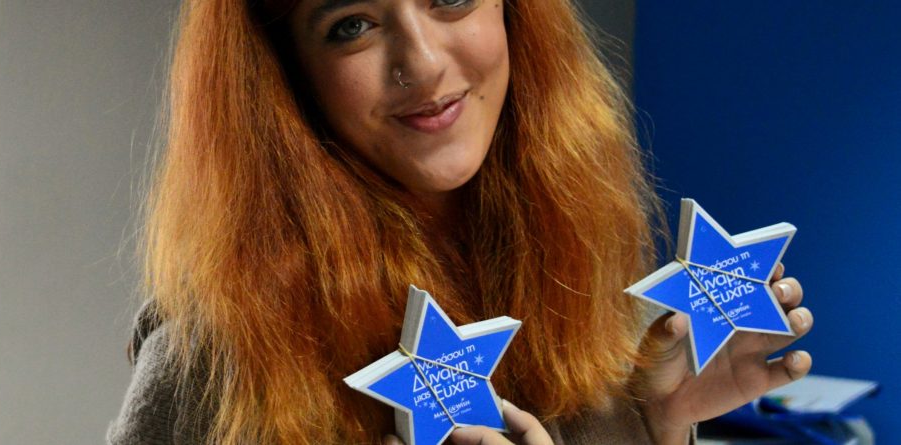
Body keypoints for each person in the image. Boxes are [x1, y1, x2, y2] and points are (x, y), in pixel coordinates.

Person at [107, 0, 813, 443]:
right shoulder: (214, 362)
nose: (421, 63)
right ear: (286, 72)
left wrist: (654, 426)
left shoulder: (599, 299)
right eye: (351, 25)